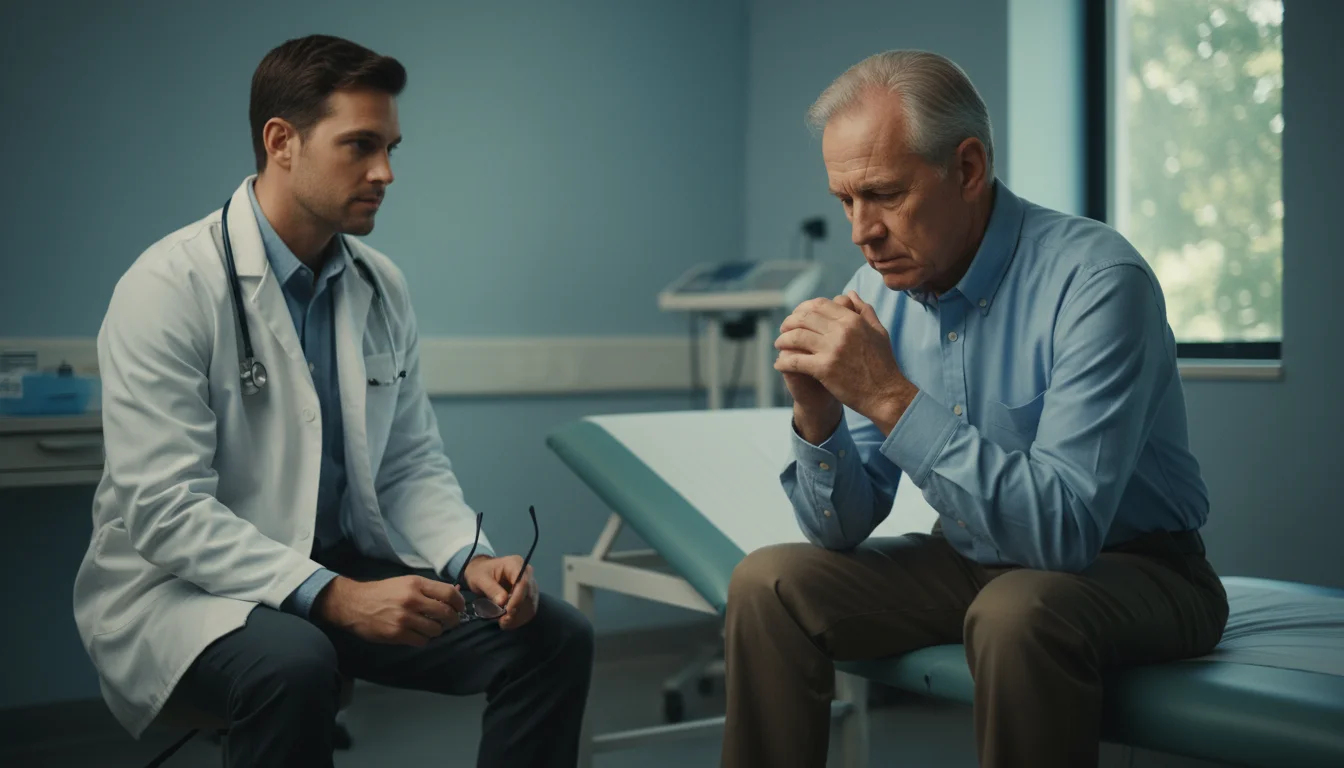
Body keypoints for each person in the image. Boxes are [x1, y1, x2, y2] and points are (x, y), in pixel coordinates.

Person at [71, 34, 593, 768]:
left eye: (391, 148)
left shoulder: (380, 286)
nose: (384, 172)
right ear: (281, 141)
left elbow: (409, 464)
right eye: (359, 145)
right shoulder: (168, 288)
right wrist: (335, 596)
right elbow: (164, 510)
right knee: (295, 662)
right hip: (186, 591)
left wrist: (469, 558)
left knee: (551, 637)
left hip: (336, 569)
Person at [720, 50, 1229, 768]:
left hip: (1137, 569)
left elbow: (1063, 535)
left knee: (1016, 609)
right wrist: (819, 415)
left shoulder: (1098, 281)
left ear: (966, 169)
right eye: (846, 201)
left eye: (884, 194)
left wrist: (891, 397)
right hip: (973, 560)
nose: (861, 231)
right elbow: (841, 529)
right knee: (768, 584)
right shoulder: (878, 289)